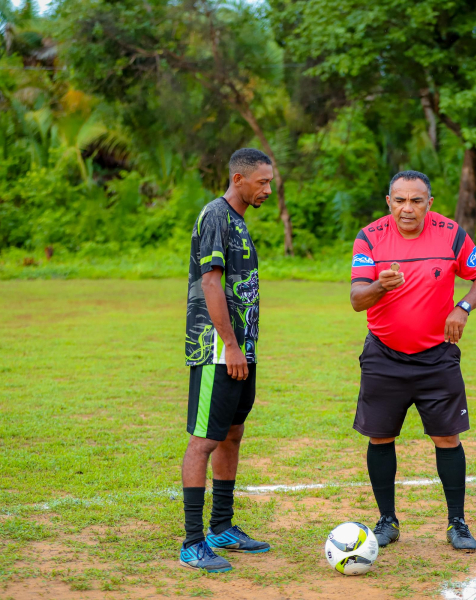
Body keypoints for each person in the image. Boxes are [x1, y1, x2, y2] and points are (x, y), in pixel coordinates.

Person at [349, 170, 476, 552]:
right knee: (380, 436)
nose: (407, 208)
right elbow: (357, 299)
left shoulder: (451, 234)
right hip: (384, 355)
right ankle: (387, 520)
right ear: (389, 202)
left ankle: (457, 523)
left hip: (437, 356)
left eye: (416, 200)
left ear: (429, 203)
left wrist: (463, 307)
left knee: (447, 438)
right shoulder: (369, 237)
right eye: (400, 200)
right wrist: (380, 285)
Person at [180, 148, 273, 572]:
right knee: (204, 440)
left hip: (241, 351)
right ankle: (192, 542)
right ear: (239, 179)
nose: (267, 189)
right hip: (217, 351)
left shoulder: (238, 220)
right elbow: (210, 283)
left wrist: (243, 348)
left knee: (232, 433)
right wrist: (230, 345)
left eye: (269, 182)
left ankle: (221, 527)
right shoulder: (215, 215)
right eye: (262, 182)